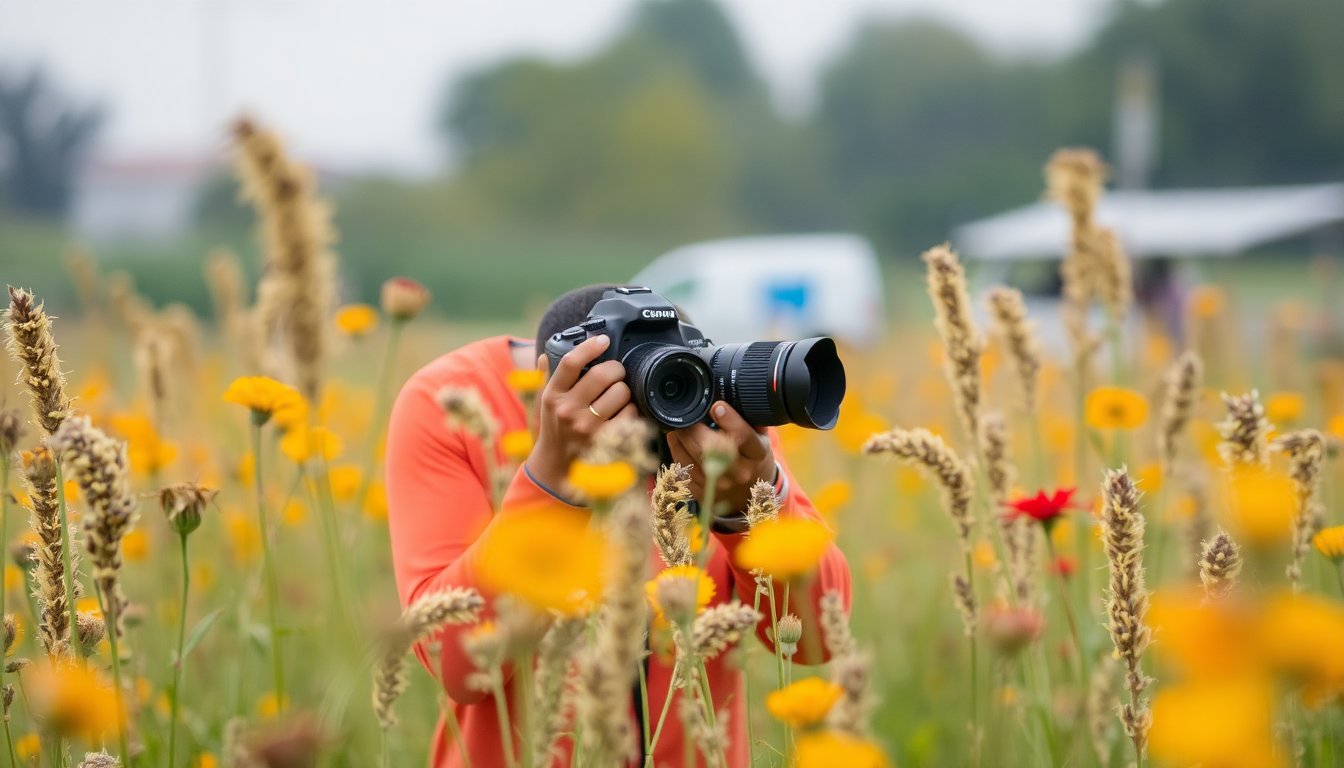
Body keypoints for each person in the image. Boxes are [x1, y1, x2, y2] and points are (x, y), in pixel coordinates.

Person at [385, 284, 852, 767]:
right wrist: (553, 479)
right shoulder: (455, 402)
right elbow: (460, 666)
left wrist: (748, 505)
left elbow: (817, 636)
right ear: (546, 384)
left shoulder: (707, 399)